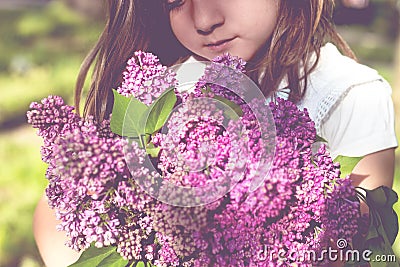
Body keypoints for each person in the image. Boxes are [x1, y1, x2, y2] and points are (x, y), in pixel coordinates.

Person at [33, 0, 397, 266]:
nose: (205, 19)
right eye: (175, 0)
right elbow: (53, 221)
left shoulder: (350, 96)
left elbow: (353, 248)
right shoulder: (163, 88)